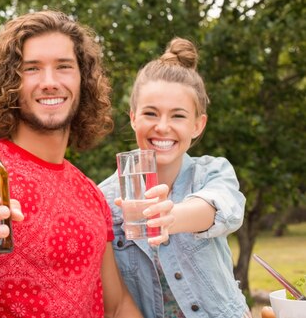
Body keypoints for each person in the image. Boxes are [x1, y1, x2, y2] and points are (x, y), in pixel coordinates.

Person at [0, 10, 174, 317]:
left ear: (83, 78)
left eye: (64, 67)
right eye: (32, 69)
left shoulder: (91, 194)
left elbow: (118, 304)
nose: (50, 82)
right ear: (10, 82)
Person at [99, 38, 250, 318]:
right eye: (150, 113)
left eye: (178, 116)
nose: (163, 127)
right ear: (133, 117)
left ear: (197, 125)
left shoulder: (212, 172)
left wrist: (171, 217)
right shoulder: (105, 199)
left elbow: (222, 209)